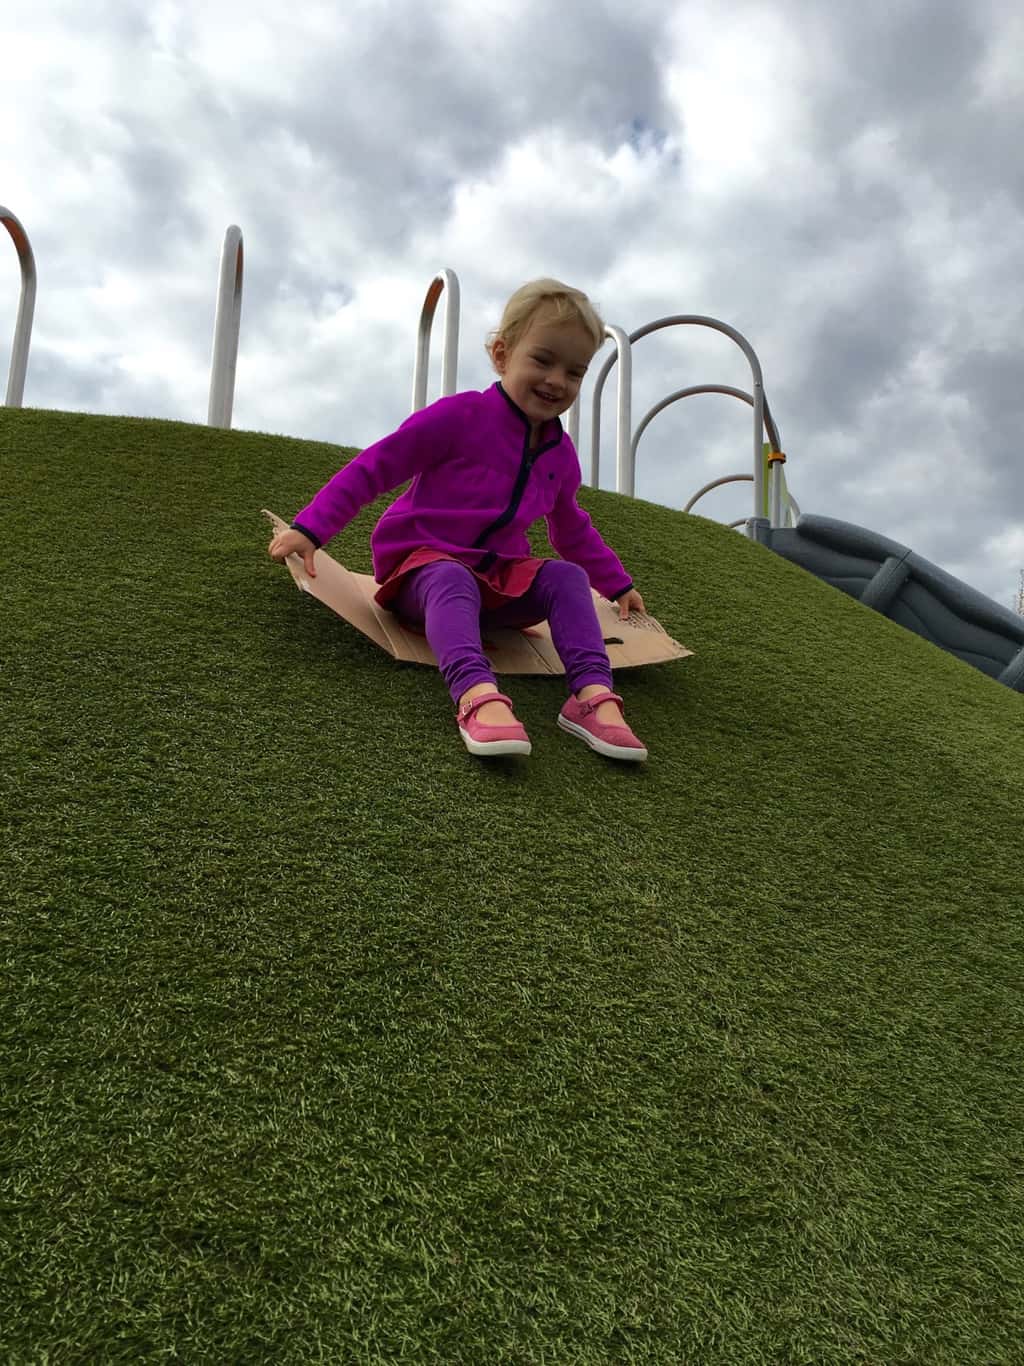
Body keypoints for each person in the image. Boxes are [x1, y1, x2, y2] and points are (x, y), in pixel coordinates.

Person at [269, 278, 649, 762]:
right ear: (501, 353)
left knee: (567, 577)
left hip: (496, 580)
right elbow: (376, 467)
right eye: (542, 360)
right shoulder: (460, 417)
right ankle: (476, 693)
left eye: (574, 372)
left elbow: (571, 527)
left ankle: (591, 697)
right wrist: (311, 528)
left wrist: (616, 584)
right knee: (451, 576)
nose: (557, 380)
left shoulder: (559, 454)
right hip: (422, 572)